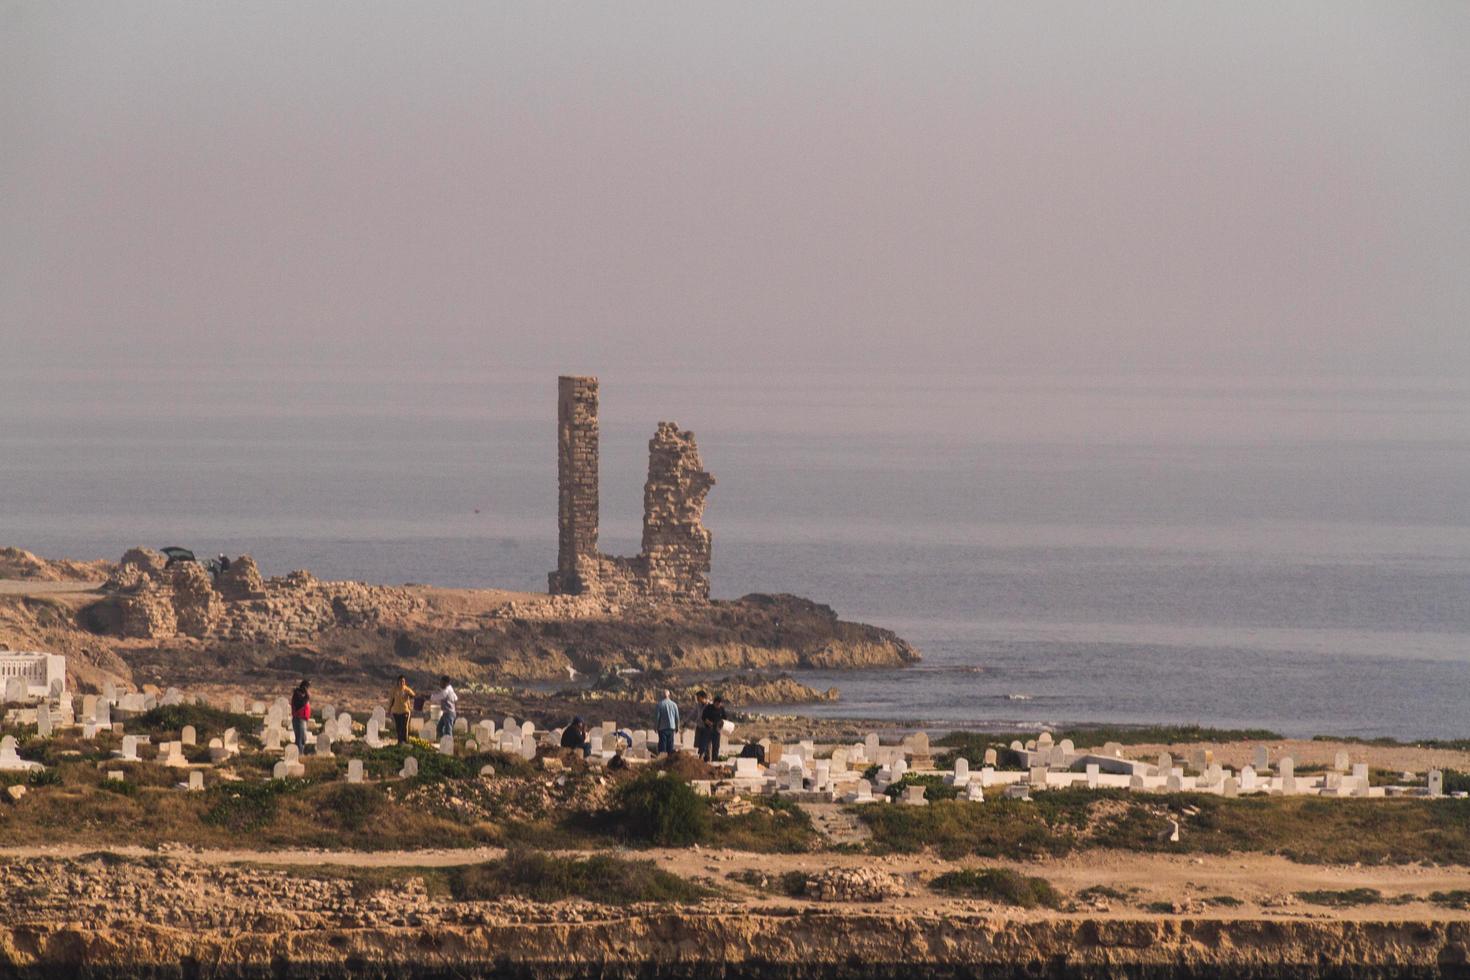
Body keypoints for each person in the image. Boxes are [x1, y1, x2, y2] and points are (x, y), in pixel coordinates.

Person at [388, 675, 414, 744]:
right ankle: (400, 742)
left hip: (405, 711)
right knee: (398, 727)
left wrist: (409, 695)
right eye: (400, 681)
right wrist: (389, 710)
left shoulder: (406, 689)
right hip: (396, 712)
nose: (402, 683)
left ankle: (405, 741)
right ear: (398, 682)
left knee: (404, 727)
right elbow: (391, 700)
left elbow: (413, 695)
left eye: (403, 681)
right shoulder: (394, 690)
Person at [701, 694, 727, 762]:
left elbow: (725, 718)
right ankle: (706, 760)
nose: (718, 705)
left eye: (719, 704)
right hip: (708, 729)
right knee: (706, 746)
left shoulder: (722, 709)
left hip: (717, 730)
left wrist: (721, 723)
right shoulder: (708, 707)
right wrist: (708, 722)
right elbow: (703, 717)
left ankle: (715, 760)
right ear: (714, 702)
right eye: (717, 704)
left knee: (716, 746)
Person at [654, 689, 680, 755]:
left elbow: (657, 717)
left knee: (663, 745)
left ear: (662, 695)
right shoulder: (674, 705)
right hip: (671, 727)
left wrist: (656, 727)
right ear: (669, 695)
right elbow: (677, 717)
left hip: (662, 728)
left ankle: (663, 759)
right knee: (670, 745)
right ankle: (669, 759)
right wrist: (677, 727)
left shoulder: (659, 705)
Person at [289, 679, 311, 754]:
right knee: (300, 739)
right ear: (304, 687)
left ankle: (299, 754)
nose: (308, 690)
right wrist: (307, 696)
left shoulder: (301, 694)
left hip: (303, 719)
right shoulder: (298, 694)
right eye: (307, 688)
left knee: (303, 739)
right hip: (299, 719)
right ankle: (299, 755)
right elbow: (300, 705)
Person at [691, 690, 710, 759]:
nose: (697, 699)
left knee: (705, 744)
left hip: (706, 727)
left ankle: (705, 758)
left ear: (703, 697)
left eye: (698, 697)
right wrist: (685, 721)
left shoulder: (709, 705)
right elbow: (692, 713)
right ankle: (702, 757)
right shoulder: (698, 705)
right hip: (699, 726)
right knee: (698, 744)